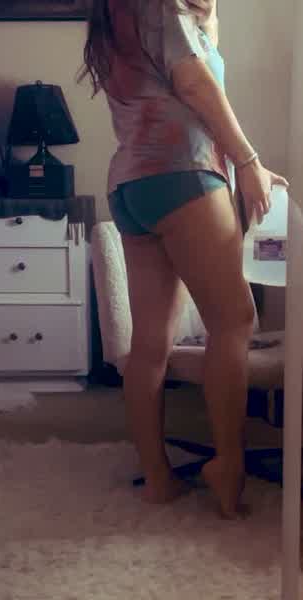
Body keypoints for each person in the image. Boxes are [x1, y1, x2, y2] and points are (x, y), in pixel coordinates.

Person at [78, 0, 289, 518]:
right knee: (234, 321)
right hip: (184, 175)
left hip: (131, 186)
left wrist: (208, 16)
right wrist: (249, 161)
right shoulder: (160, 6)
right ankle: (228, 465)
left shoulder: (117, 12)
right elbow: (195, 84)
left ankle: (158, 479)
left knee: (151, 341)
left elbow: (193, 55)